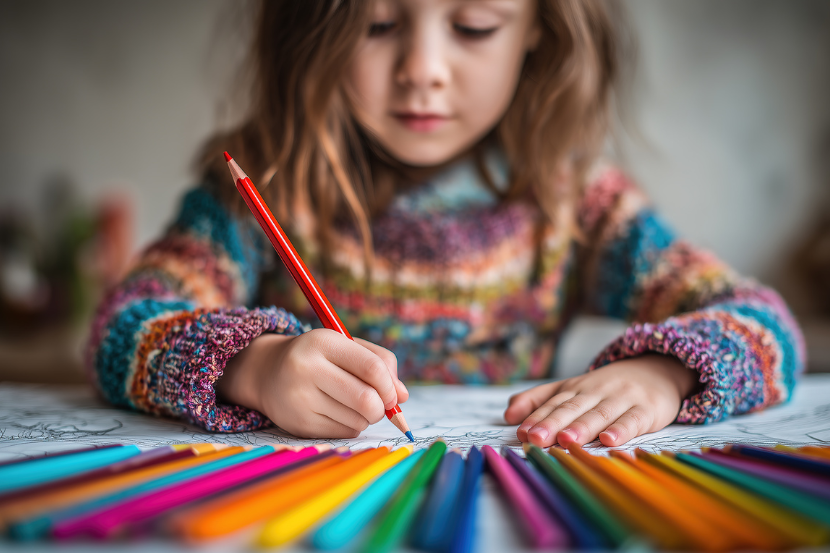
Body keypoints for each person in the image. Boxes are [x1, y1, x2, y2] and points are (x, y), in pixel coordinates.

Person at [87, 0, 803, 448]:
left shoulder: (575, 203)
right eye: (377, 23)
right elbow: (123, 326)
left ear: (537, 30)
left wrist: (666, 373)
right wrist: (252, 367)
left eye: (473, 25)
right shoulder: (262, 187)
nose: (423, 69)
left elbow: (764, 324)